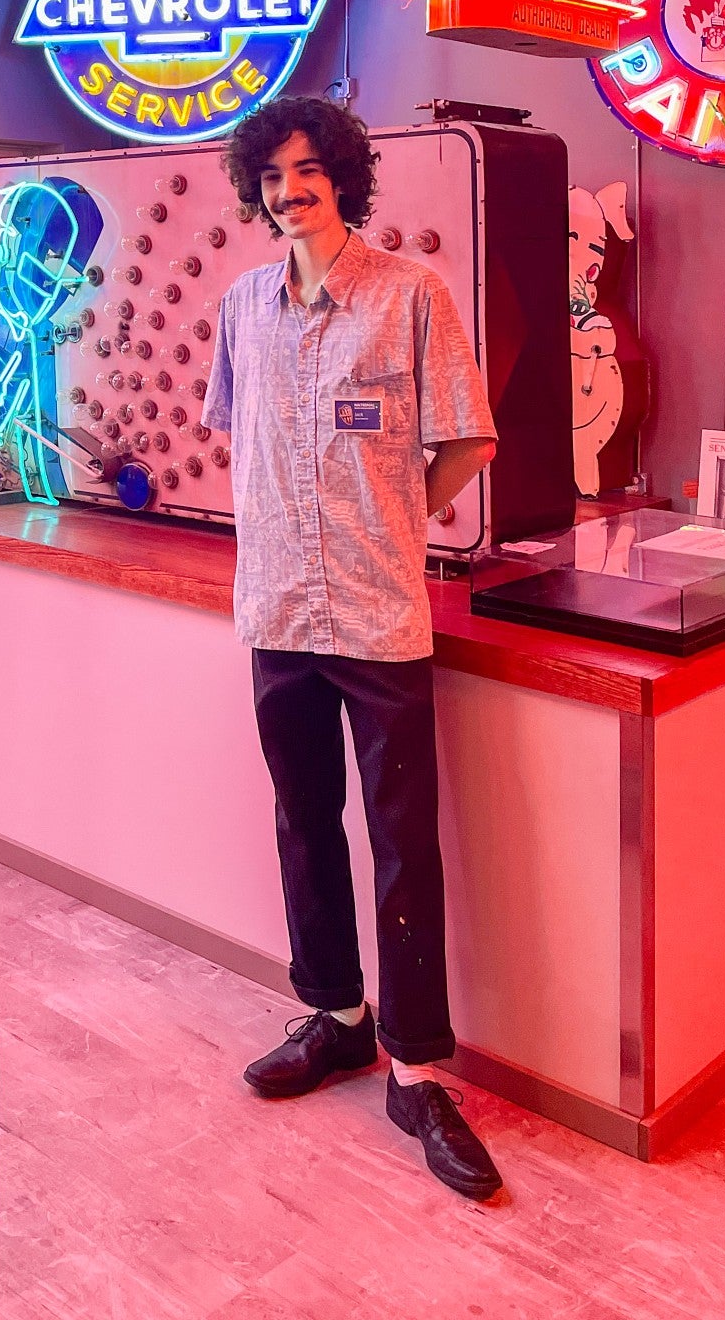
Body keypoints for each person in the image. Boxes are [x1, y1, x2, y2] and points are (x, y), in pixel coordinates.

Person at [204, 93, 502, 1201]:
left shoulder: (411, 296)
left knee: (402, 841)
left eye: (308, 168)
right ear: (258, 188)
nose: (291, 188)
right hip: (276, 608)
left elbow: (467, 437)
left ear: (343, 175)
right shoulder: (242, 306)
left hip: (379, 613)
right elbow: (240, 439)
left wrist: (394, 521)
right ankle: (334, 1013)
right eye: (273, 174)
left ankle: (417, 1072)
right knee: (301, 822)